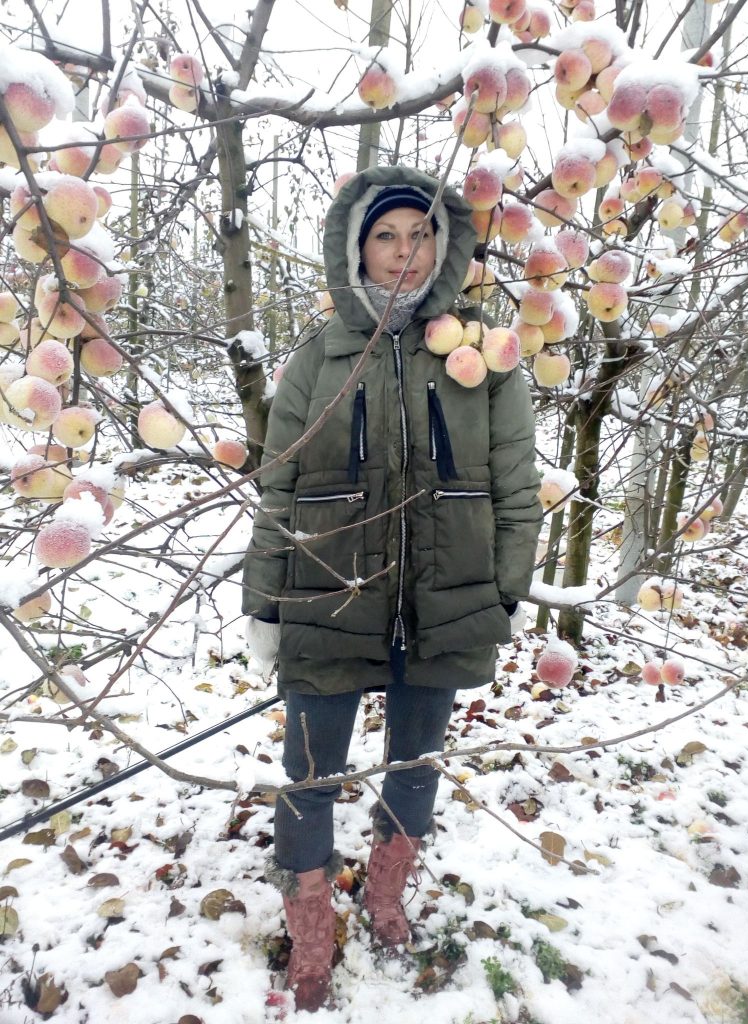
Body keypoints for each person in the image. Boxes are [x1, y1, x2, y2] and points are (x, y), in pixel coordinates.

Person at [242, 164, 541, 1011]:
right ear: (357, 250)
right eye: (386, 236)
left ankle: (384, 890)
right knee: (310, 772)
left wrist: (504, 588)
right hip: (329, 592)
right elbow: (280, 488)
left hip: (446, 598)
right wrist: (264, 603)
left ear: (444, 248)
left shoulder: (481, 360)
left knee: (414, 766)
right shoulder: (320, 357)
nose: (404, 252)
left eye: (420, 235)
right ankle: (310, 925)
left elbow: (516, 487)